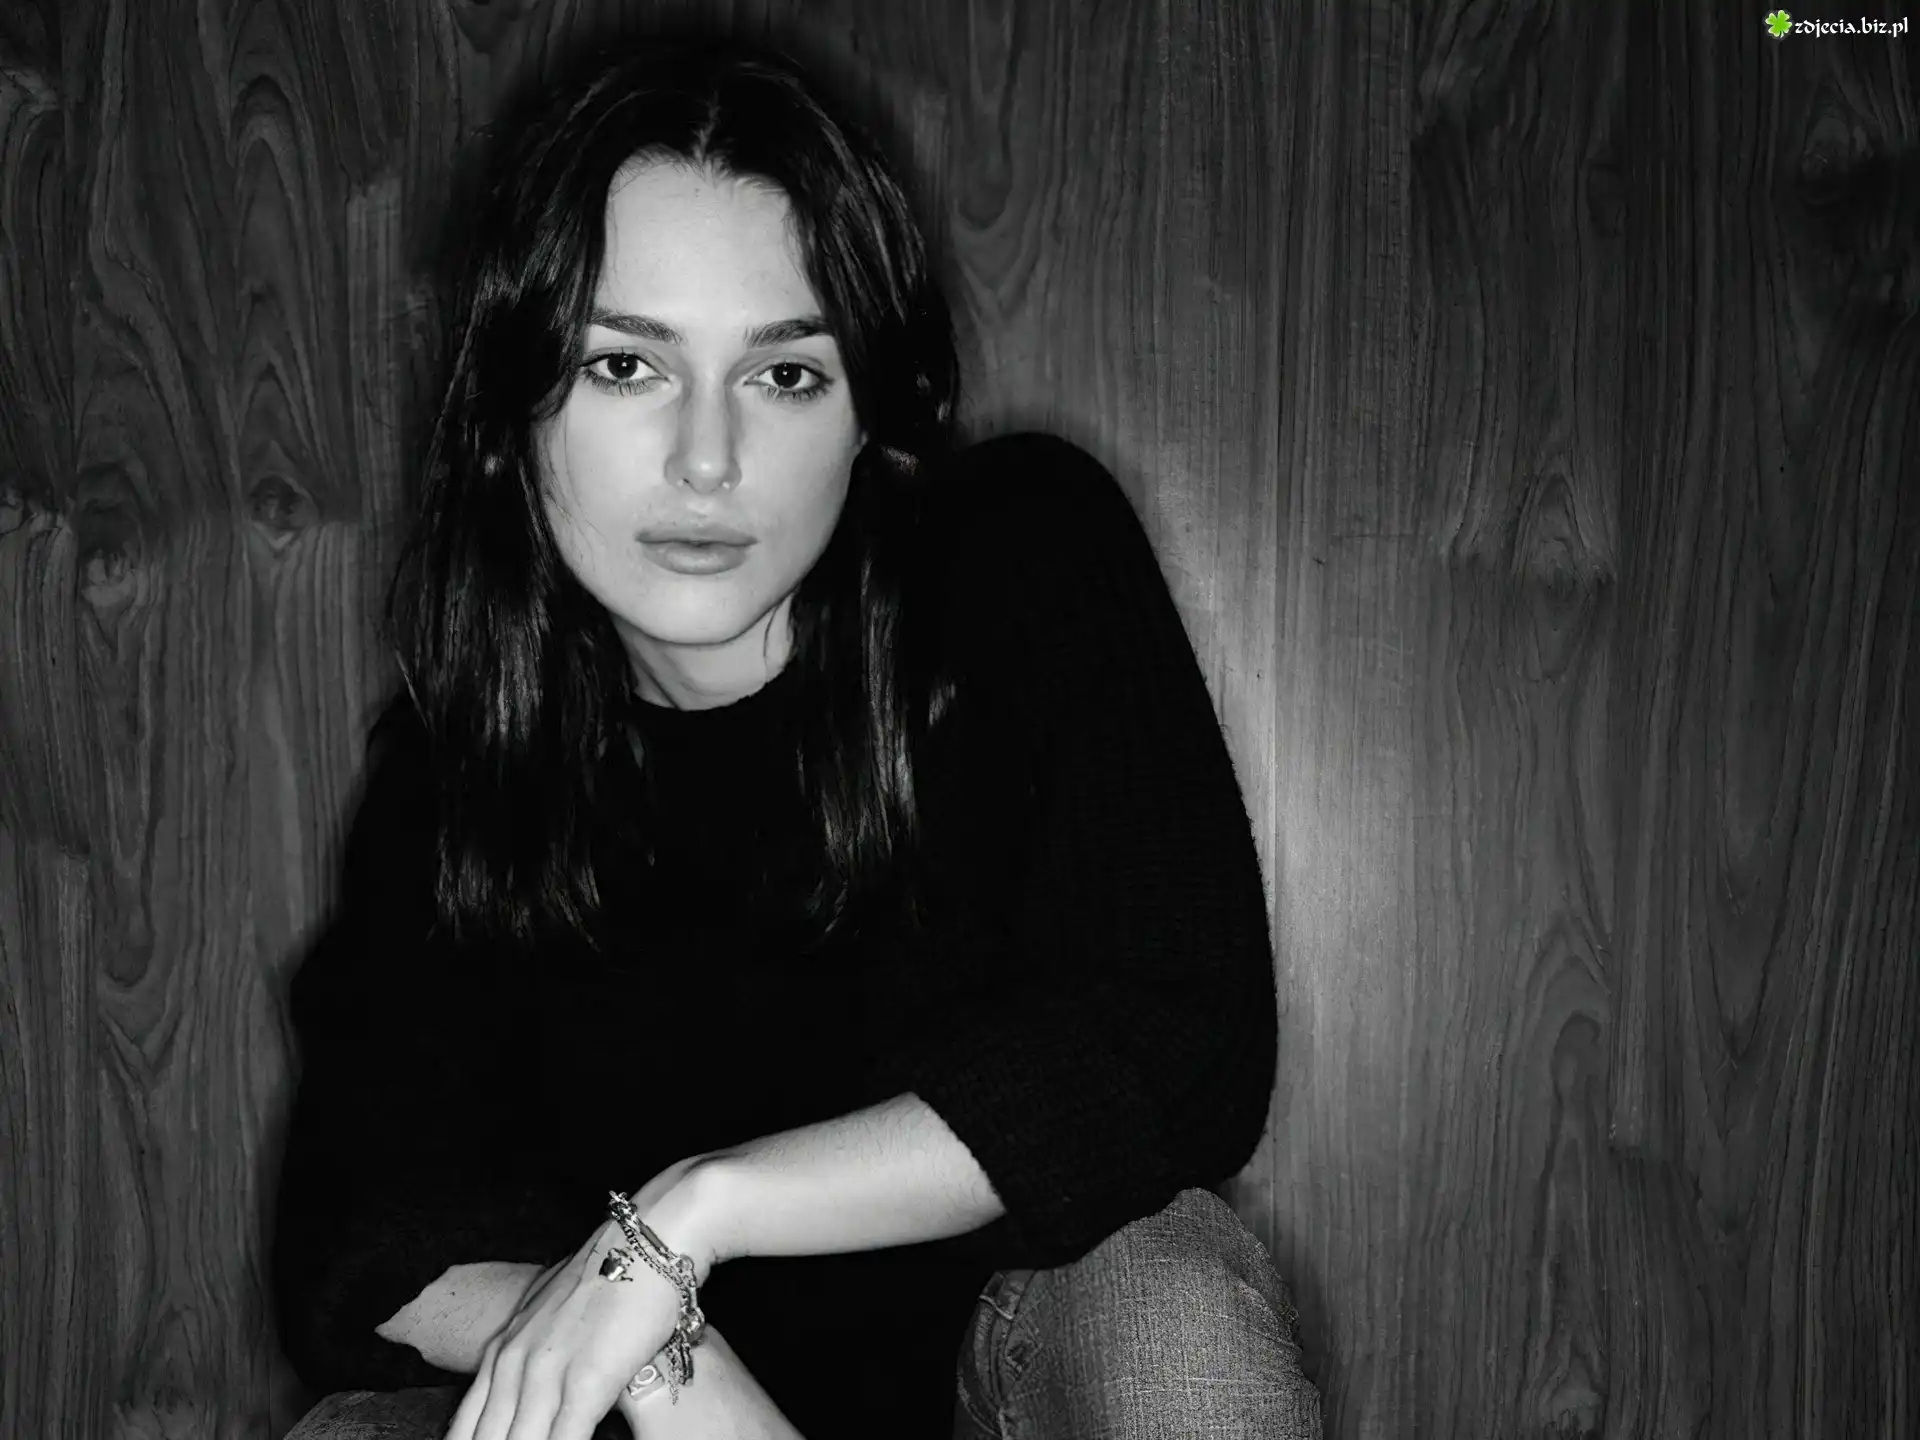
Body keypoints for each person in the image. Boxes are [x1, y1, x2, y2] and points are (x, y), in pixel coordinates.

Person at [271, 30, 1319, 1440]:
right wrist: (667, 1352)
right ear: (516, 415)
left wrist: (693, 1218)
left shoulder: (1015, 559)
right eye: (625, 366)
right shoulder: (459, 774)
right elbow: (349, 1234)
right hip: (664, 1425)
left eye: (784, 376)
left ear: (868, 417)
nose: (707, 461)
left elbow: (1177, 1033)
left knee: (1165, 1309)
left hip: (1003, 1383)